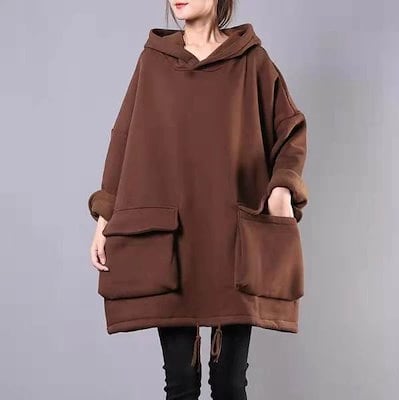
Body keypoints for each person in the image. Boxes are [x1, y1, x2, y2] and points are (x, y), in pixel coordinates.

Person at [88, 1, 309, 399]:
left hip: (233, 244)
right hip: (172, 243)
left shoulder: (251, 61)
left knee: (229, 384)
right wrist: (105, 216)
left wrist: (282, 187)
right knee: (180, 384)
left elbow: (290, 132)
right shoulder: (154, 61)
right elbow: (123, 139)